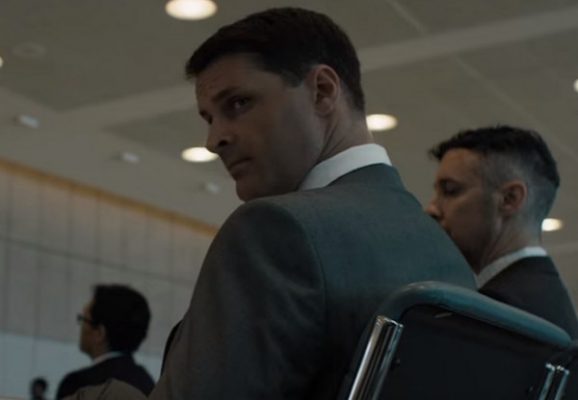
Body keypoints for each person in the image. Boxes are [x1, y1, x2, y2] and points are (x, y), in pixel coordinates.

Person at [149, 7, 474, 399]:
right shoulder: (451, 259)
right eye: (209, 118)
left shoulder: (274, 230)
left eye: (238, 103)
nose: (213, 140)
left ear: (322, 90)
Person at [426, 125, 578, 337]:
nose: (431, 208)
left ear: (509, 199)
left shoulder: (500, 311)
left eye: (450, 191)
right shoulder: (542, 297)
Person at [56, 284, 155, 399]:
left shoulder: (77, 385)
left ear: (99, 333)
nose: (81, 326)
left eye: (83, 319)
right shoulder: (149, 384)